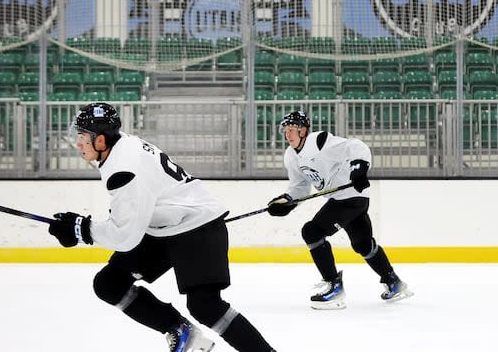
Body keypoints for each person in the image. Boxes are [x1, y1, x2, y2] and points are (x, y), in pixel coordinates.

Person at [47, 102, 276, 352]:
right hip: (165, 228)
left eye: (81, 136)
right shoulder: (120, 145)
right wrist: (83, 227)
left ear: (100, 141)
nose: (77, 142)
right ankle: (180, 330)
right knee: (109, 284)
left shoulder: (123, 168)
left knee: (205, 306)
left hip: (197, 226)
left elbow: (125, 237)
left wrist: (82, 229)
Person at [266, 110, 413, 310]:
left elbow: (355, 146)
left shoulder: (318, 141)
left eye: (292, 130)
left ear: (303, 131)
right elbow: (300, 186)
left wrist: (360, 167)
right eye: (285, 130)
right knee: (363, 245)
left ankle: (334, 286)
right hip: (343, 199)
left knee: (311, 231)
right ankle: (394, 282)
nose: (287, 135)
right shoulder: (291, 156)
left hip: (352, 196)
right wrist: (287, 201)